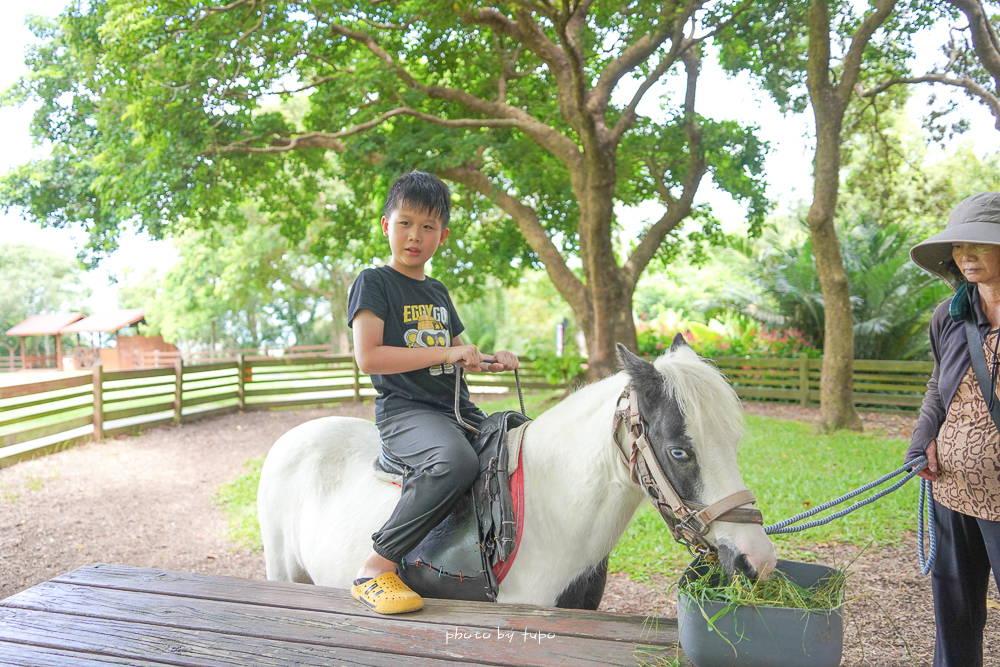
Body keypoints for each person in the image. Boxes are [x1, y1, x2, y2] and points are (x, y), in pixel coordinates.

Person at [346, 170, 519, 615]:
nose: (414, 236)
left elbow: (458, 353)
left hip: (455, 407)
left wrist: (492, 358)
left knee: (520, 444)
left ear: (442, 236)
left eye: (427, 227)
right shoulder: (375, 282)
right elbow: (370, 357)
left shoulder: (437, 291)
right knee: (454, 462)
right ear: (386, 225)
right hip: (407, 411)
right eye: (405, 223)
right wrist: (448, 351)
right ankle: (376, 566)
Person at [908, 192, 1000, 667]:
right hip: (952, 492)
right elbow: (938, 388)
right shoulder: (950, 315)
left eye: (980, 244)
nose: (966, 255)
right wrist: (922, 439)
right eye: (959, 246)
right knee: (956, 616)